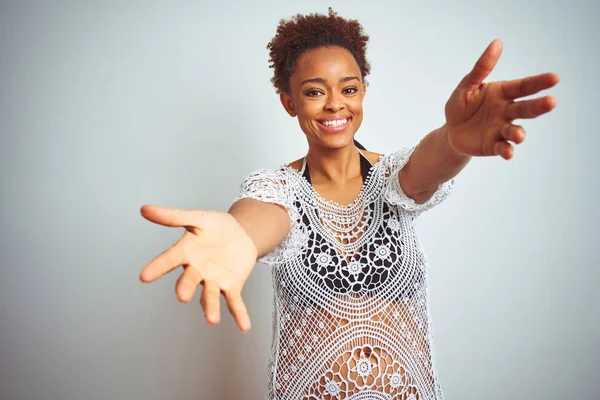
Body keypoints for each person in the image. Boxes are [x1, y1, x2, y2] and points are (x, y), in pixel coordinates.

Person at [138, 8, 559, 400]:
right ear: (289, 102)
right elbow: (263, 217)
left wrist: (453, 141)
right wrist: (241, 237)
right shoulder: (279, 189)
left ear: (362, 93)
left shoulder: (393, 175)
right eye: (315, 91)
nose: (335, 103)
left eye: (349, 88)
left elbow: (426, 167)